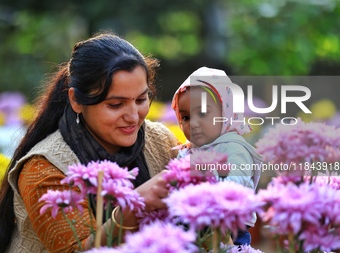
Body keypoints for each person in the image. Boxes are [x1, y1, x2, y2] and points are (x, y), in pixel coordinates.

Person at [0, 32, 179, 253]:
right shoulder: (44, 168)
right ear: (76, 100)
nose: (133, 116)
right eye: (116, 105)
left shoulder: (160, 141)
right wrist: (135, 206)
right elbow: (77, 249)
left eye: (141, 99)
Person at [171, 66, 262, 246]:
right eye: (186, 117)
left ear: (225, 112)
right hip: (192, 224)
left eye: (203, 113)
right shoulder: (189, 150)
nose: (194, 124)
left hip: (229, 231)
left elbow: (233, 185)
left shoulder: (235, 148)